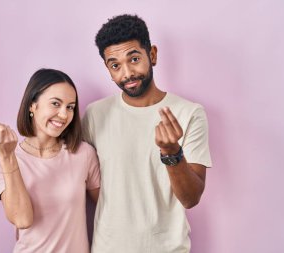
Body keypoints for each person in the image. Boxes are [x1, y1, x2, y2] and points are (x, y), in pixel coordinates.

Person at [82, 14, 212, 252]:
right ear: (107, 68)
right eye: (115, 65)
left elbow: (191, 198)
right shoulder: (94, 115)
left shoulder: (189, 113)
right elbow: (87, 182)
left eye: (134, 58)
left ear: (152, 54)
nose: (127, 73)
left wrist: (172, 152)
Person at [0, 68, 100, 253]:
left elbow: (109, 207)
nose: (64, 115)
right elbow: (22, 219)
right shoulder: (3, 159)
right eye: (55, 104)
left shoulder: (83, 154)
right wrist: (8, 157)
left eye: (70, 107)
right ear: (32, 105)